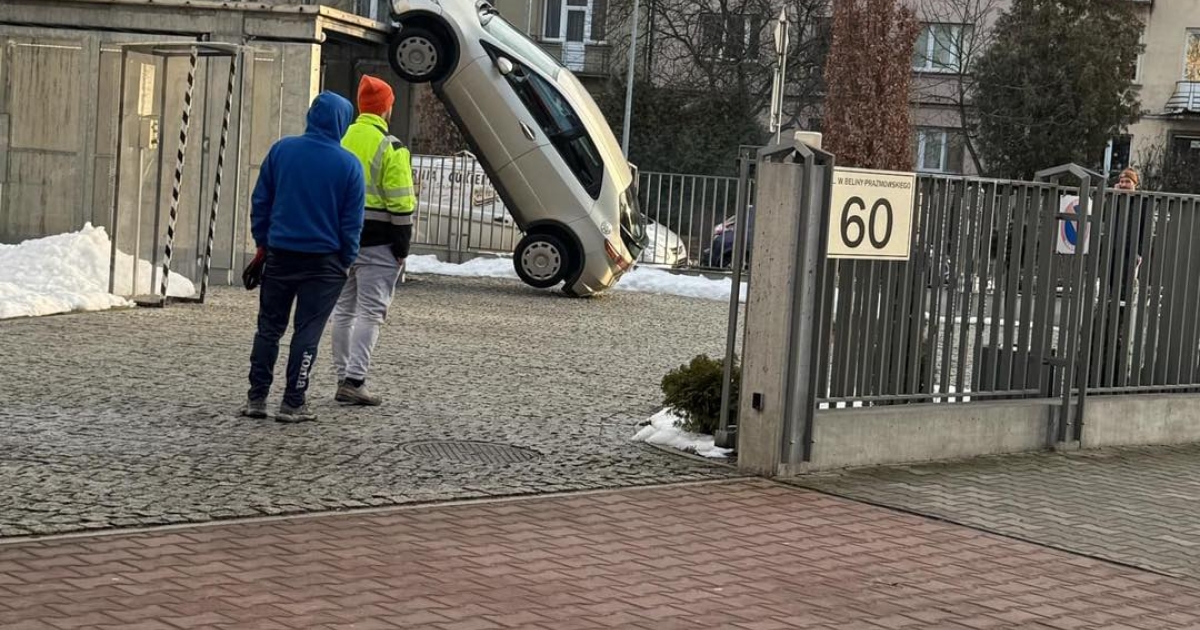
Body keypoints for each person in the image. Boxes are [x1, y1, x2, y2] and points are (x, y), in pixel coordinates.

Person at [242, 91, 365, 423]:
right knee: (307, 332)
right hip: (324, 263)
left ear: (312, 116)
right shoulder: (349, 165)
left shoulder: (282, 151)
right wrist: (346, 259)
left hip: (280, 255)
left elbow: (261, 200)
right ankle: (293, 402)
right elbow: (352, 223)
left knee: (269, 328)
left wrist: (263, 243)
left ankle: (257, 398)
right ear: (342, 122)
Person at [330, 75, 417, 406]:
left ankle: (342, 377)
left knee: (343, 310)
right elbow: (401, 203)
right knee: (370, 312)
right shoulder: (391, 147)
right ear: (386, 109)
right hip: (379, 243)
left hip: (340, 239)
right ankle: (355, 380)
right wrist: (402, 247)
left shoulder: (341, 138)